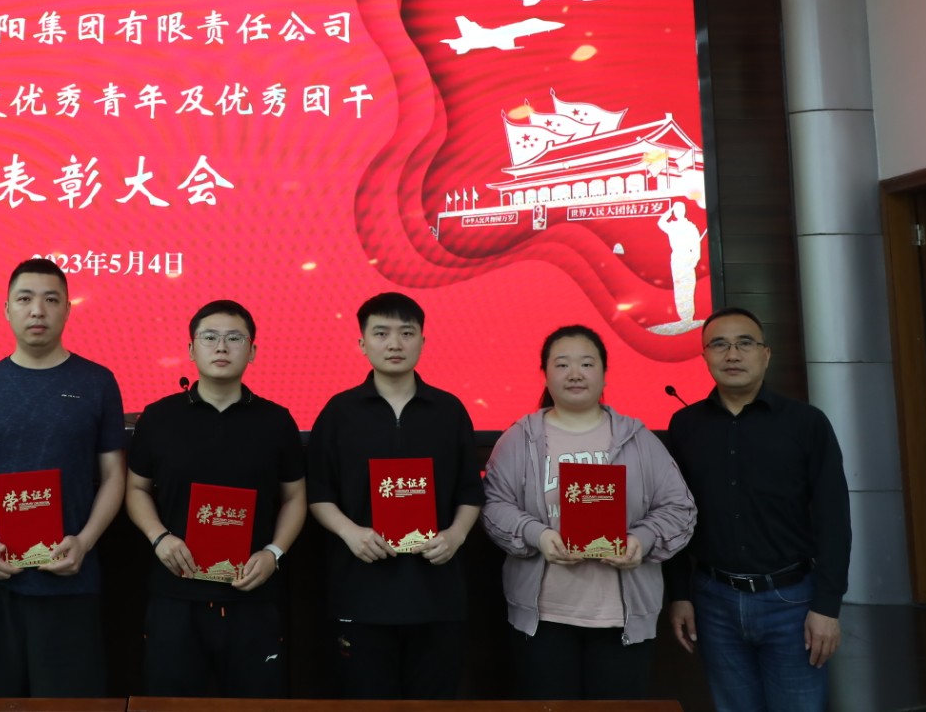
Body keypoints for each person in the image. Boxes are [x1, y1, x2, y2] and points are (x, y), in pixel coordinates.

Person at [482, 324, 696, 699]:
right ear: (545, 373)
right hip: (544, 617)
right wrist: (538, 535)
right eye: (562, 364)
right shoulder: (520, 439)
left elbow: (679, 507)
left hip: (621, 617)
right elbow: (494, 506)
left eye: (586, 363)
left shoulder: (638, 439)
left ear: (604, 373)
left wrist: (641, 541)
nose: (575, 374)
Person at [0, 257, 126, 697]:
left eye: (51, 300)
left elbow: (114, 477)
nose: (37, 310)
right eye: (25, 299)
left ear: (67, 309)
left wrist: (84, 541)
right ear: (7, 309)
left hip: (70, 578)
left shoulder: (98, 382)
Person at [665, 307, 852, 712]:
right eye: (719, 344)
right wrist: (679, 594)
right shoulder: (685, 425)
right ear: (705, 356)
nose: (732, 354)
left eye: (745, 344)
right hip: (713, 600)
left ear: (766, 355)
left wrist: (827, 606)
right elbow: (675, 517)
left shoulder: (806, 423)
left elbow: (834, 517)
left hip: (792, 601)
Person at [306, 292, 483, 699]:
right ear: (362, 343)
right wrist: (350, 532)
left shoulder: (449, 411)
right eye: (381, 333)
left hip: (435, 593)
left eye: (406, 333)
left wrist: (455, 535)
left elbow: (470, 491)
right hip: (361, 591)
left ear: (422, 340)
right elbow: (318, 492)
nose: (394, 344)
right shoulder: (339, 412)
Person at [126, 299, 306, 697]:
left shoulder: (276, 421)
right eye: (209, 337)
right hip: (176, 593)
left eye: (234, 338)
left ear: (252, 351)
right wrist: (159, 537)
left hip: (252, 594)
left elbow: (295, 497)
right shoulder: (159, 417)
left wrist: (274, 553)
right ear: (191, 349)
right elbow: (135, 489)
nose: (221, 347)